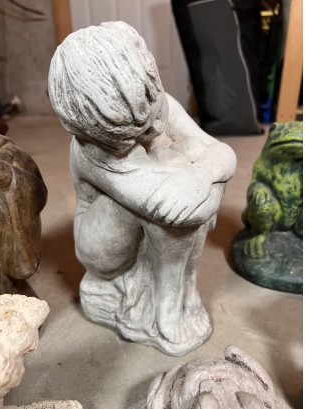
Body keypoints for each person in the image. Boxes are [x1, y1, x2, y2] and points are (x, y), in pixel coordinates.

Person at [48, 21, 236, 348]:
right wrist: (208, 175)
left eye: (154, 112)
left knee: (184, 160)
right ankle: (167, 308)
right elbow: (173, 209)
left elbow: (224, 153)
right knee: (174, 176)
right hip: (102, 249)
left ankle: (183, 291)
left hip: (157, 195)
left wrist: (202, 175)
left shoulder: (155, 100)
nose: (155, 129)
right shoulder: (94, 151)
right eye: (130, 136)